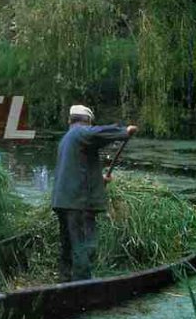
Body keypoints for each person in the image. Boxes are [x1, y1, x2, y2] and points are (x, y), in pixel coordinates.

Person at [51, 105, 138, 281]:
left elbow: (75, 169)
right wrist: (124, 131)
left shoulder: (67, 138)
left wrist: (100, 180)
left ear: (69, 120)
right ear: (88, 122)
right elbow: (97, 133)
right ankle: (81, 287)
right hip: (78, 203)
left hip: (62, 201)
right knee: (83, 245)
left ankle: (64, 282)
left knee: (67, 245)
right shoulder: (81, 133)